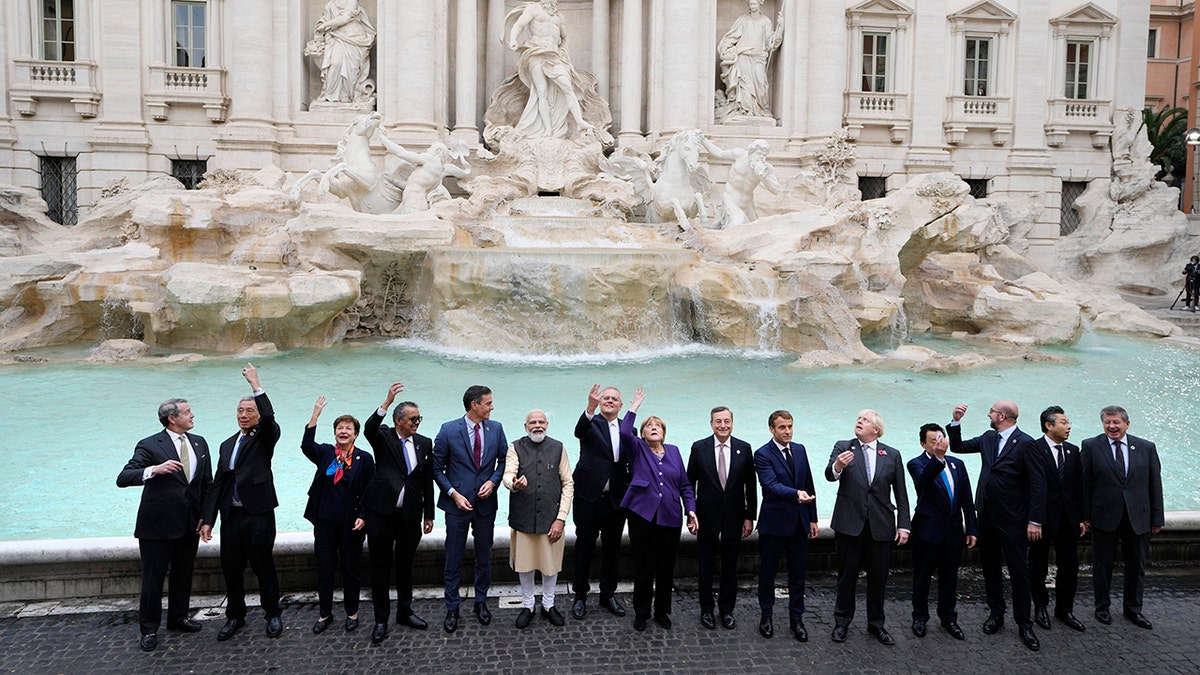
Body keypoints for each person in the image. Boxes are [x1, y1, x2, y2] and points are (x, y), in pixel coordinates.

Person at [948, 400, 1046, 651]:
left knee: (1018, 572)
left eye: (991, 411)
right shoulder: (988, 438)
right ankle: (996, 614)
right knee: (989, 567)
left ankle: (1024, 623)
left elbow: (1038, 485)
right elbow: (958, 447)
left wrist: (1034, 520)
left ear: (1002, 416)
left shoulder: (1026, 444)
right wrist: (956, 421)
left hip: (1014, 519)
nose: (988, 414)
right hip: (988, 515)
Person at [117, 398, 213, 652]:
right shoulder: (149, 444)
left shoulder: (199, 442)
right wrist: (154, 469)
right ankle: (148, 630)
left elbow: (207, 484)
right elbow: (123, 477)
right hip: (156, 528)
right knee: (153, 580)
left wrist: (207, 518)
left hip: (189, 525)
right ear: (172, 418)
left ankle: (178, 618)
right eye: (187, 412)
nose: (193, 415)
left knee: (183, 575)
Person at [200, 363, 284, 641]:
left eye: (249, 411)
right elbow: (217, 484)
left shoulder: (265, 437)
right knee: (231, 569)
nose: (244, 415)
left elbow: (271, 418)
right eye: (240, 411)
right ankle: (235, 616)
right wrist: (209, 519)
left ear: (257, 416)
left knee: (263, 566)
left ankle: (273, 614)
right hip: (232, 517)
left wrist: (256, 385)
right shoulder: (226, 444)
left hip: (259, 513)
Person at [825, 410, 911, 646]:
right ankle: (841, 623)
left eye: (865, 420)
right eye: (857, 419)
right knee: (846, 578)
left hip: (881, 527)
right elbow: (829, 476)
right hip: (849, 525)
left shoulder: (892, 455)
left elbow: (901, 493)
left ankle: (876, 624)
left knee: (878, 579)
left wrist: (904, 525)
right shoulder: (844, 447)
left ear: (876, 429)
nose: (859, 421)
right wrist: (837, 466)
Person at [361, 383, 435, 644]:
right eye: (413, 419)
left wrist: (429, 514)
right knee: (380, 568)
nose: (417, 422)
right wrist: (387, 401)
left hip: (410, 516)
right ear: (398, 420)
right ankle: (381, 619)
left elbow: (427, 481)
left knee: (405, 566)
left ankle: (405, 611)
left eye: (419, 418)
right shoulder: (384, 437)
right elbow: (368, 429)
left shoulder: (425, 443)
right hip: (381, 514)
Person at [619, 388, 698, 630]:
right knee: (644, 567)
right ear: (642, 434)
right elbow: (624, 431)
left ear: (664, 432)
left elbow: (685, 483)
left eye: (658, 426)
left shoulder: (673, 451)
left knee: (666, 568)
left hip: (670, 516)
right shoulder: (637, 449)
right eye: (649, 426)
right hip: (643, 515)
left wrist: (691, 510)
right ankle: (641, 613)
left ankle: (662, 611)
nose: (654, 428)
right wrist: (634, 408)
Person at [1081, 405, 1164, 630]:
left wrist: (1157, 518)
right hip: (1103, 517)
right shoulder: (1090, 446)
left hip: (1138, 519)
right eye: (1107, 422)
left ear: (1127, 423)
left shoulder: (1146, 448)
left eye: (1116, 422)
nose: (1112, 426)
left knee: (1136, 566)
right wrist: (1085, 516)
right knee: (1102, 566)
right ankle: (1102, 608)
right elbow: (1084, 484)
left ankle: (1133, 609)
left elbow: (1154, 484)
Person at [433, 385, 507, 633]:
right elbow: (436, 469)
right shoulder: (447, 430)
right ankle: (452, 606)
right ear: (474, 405)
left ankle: (481, 601)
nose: (492, 407)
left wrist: (493, 481)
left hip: (486, 504)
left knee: (484, 555)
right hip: (457, 505)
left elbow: (504, 460)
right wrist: (453, 494)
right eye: (488, 403)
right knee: (453, 556)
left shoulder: (496, 428)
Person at [300, 396, 375, 635]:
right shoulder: (325, 453)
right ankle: (325, 614)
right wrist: (315, 415)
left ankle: (352, 612)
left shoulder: (364, 459)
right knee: (324, 568)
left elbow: (369, 490)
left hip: (351, 523)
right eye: (340, 428)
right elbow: (306, 445)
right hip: (324, 521)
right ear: (334, 433)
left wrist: (363, 515)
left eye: (348, 429)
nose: (343, 431)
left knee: (351, 569)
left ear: (355, 434)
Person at [503, 410, 574, 629]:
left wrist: (561, 519)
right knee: (525, 565)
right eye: (532, 422)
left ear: (547, 424)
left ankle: (549, 604)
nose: (537, 425)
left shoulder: (558, 447)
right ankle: (527, 605)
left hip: (551, 519)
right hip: (523, 517)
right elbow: (507, 474)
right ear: (525, 427)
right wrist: (514, 483)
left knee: (550, 565)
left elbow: (568, 483)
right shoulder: (515, 447)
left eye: (541, 422)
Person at [687, 406, 756, 630]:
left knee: (730, 566)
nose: (723, 425)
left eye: (726, 421)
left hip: (734, 516)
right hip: (706, 516)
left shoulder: (744, 448)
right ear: (711, 424)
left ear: (732, 423)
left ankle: (726, 610)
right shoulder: (699, 448)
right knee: (705, 565)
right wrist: (690, 513)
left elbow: (750, 486)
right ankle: (706, 610)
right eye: (718, 421)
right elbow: (689, 484)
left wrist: (749, 516)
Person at [908, 423, 977, 641]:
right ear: (923, 444)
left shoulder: (958, 464)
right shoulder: (916, 463)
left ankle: (948, 618)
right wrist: (937, 459)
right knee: (922, 578)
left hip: (953, 531)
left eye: (941, 438)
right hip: (927, 531)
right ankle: (919, 617)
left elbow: (967, 498)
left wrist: (972, 528)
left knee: (950, 578)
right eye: (933, 440)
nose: (939, 443)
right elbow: (922, 481)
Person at [753, 410, 818, 642]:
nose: (787, 431)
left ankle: (796, 619)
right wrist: (796, 495)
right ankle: (766, 616)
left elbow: (809, 482)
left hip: (800, 523)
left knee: (798, 575)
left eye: (790, 426)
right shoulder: (762, 454)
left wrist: (812, 518)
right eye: (782, 427)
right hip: (774, 523)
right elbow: (770, 485)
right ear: (772, 429)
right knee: (767, 574)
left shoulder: (800, 449)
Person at [571, 384, 631, 620]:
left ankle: (608, 594)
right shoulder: (590, 423)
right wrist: (590, 406)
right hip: (588, 497)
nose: (609, 401)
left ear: (620, 405)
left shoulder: (629, 428)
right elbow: (578, 431)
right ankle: (580, 596)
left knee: (612, 549)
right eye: (605, 397)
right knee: (584, 547)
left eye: (614, 398)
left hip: (616, 499)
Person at [1028, 406, 1086, 632]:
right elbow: (1032, 487)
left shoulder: (1072, 451)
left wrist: (1081, 518)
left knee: (1070, 565)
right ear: (1048, 425)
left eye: (1068, 421)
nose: (1068, 426)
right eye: (1063, 422)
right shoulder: (1034, 448)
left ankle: (1065, 609)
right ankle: (1040, 608)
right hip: (1042, 520)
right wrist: (1033, 520)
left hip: (1068, 520)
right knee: (1038, 566)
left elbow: (1077, 487)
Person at [502, 0, 592, 140]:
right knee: (541, 92)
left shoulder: (559, 17)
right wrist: (513, 39)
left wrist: (564, 51)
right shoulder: (533, 8)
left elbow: (565, 38)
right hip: (536, 51)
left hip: (554, 55)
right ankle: (548, 129)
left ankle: (579, 121)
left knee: (567, 87)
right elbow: (519, 25)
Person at [717, 0, 784, 118]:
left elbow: (771, 43)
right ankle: (744, 110)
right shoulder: (743, 20)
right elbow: (731, 37)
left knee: (760, 83)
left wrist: (780, 28)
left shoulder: (765, 21)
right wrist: (725, 48)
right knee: (744, 84)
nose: (752, 6)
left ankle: (759, 109)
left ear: (760, 4)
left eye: (754, 4)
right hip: (743, 55)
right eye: (751, 4)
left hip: (758, 57)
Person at [376, 134, 471, 214]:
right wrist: (394, 181)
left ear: (438, 151)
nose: (428, 151)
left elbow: (402, 153)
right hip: (413, 202)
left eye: (430, 149)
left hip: (414, 203)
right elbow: (413, 185)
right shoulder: (439, 170)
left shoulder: (430, 160)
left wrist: (383, 139)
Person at [699, 137, 781, 227]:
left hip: (747, 205)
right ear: (751, 152)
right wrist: (703, 140)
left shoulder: (766, 169)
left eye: (764, 155)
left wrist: (763, 177)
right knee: (737, 225)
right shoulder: (739, 155)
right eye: (759, 154)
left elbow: (776, 190)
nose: (761, 157)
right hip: (730, 199)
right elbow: (719, 153)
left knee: (753, 229)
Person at [310, 0, 376, 103]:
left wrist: (325, 25)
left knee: (351, 68)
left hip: (354, 38)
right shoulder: (331, 4)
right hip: (336, 37)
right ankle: (329, 94)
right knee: (336, 63)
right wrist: (320, 28)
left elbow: (345, 18)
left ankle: (346, 95)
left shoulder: (351, 1)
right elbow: (324, 19)